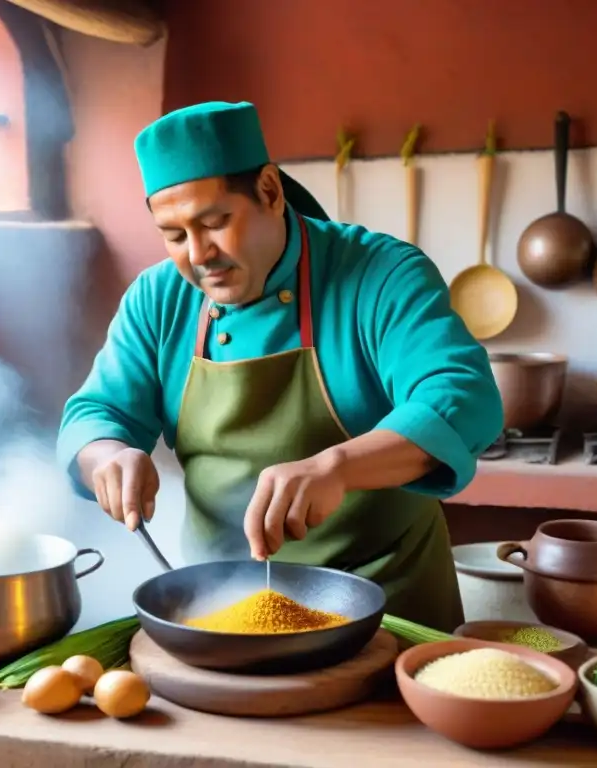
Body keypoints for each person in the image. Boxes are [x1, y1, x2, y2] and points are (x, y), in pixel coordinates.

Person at [57, 101, 503, 632]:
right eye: (174, 235)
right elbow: (96, 411)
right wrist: (108, 455)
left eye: (216, 222)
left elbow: (462, 397)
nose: (199, 255)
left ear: (269, 191)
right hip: (220, 609)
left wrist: (334, 468)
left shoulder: (380, 275)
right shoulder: (158, 299)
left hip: (386, 607)